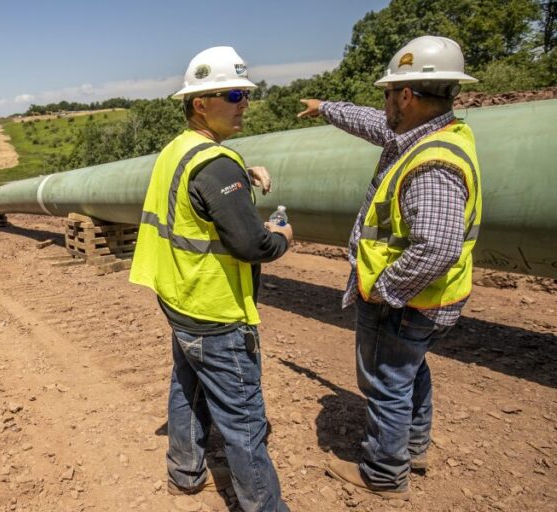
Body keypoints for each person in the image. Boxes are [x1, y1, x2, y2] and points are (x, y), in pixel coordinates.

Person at [296, 35, 482, 500]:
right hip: (429, 298)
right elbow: (372, 123)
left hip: (405, 299)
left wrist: (385, 289)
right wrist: (325, 108)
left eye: (388, 94)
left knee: (386, 381)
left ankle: (383, 472)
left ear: (406, 96)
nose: (384, 104)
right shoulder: (431, 135)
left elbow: (436, 247)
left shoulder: (432, 165)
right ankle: (413, 447)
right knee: (409, 369)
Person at [129, 46, 293, 512]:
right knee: (244, 422)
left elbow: (200, 193)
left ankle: (185, 473)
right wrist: (282, 236)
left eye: (246, 94)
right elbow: (253, 245)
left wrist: (240, 169)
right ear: (201, 104)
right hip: (216, 309)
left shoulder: (179, 150)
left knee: (188, 386)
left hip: (180, 298)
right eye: (234, 95)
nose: (245, 103)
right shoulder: (215, 164)